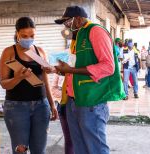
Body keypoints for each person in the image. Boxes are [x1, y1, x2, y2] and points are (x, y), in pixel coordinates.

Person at [53, 5, 125, 154]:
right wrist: (59, 70)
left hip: (92, 101)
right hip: (74, 100)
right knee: (80, 148)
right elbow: (74, 67)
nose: (66, 26)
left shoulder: (96, 31)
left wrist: (70, 69)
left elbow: (108, 66)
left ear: (78, 19)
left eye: (67, 22)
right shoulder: (77, 36)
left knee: (96, 148)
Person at [0, 17, 58, 154]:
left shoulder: (40, 51)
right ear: (17, 34)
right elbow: (4, 84)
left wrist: (52, 104)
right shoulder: (9, 52)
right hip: (16, 107)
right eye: (24, 36)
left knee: (39, 150)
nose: (28, 38)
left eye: (32, 35)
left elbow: (45, 80)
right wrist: (19, 77)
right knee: (20, 150)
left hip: (41, 106)